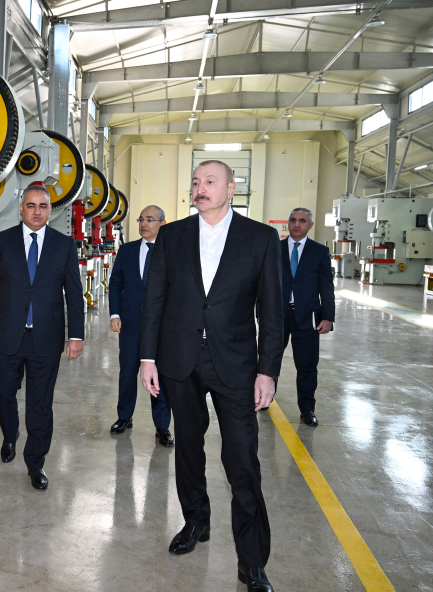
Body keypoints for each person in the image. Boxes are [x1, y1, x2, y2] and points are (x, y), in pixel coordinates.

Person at [138, 161, 283, 592]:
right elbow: (154, 300)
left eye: (210, 182)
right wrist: (148, 358)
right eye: (196, 182)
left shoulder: (260, 238)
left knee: (242, 459)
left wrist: (267, 370)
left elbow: (271, 312)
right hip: (180, 360)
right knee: (188, 447)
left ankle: (251, 560)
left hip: (235, 363)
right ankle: (195, 521)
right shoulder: (172, 235)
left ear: (231, 189)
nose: (200, 188)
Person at [0, 185, 85, 490]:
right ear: (21, 208)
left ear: (51, 210)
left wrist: (76, 335)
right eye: (31, 205)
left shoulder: (64, 245)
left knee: (40, 403)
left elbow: (74, 294)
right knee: (4, 394)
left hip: (45, 337)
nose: (37, 211)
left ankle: (35, 462)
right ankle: (10, 435)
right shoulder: (1, 242)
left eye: (43, 206)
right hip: (6, 335)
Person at [108, 205, 173, 446]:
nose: (144, 223)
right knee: (127, 372)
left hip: (162, 327)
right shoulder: (127, 250)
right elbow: (116, 283)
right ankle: (124, 416)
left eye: (150, 219)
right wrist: (115, 314)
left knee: (161, 376)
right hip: (131, 323)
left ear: (162, 224)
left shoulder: (172, 251)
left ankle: (162, 425)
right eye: (141, 219)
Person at [281, 208, 334, 427]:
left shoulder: (319, 251)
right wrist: (260, 313)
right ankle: (263, 399)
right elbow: (261, 284)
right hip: (277, 316)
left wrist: (328, 317)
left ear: (310, 225)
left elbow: (326, 287)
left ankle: (307, 409)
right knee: (268, 360)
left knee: (307, 366)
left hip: (308, 318)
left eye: (302, 221)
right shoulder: (274, 248)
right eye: (293, 220)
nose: (297, 224)